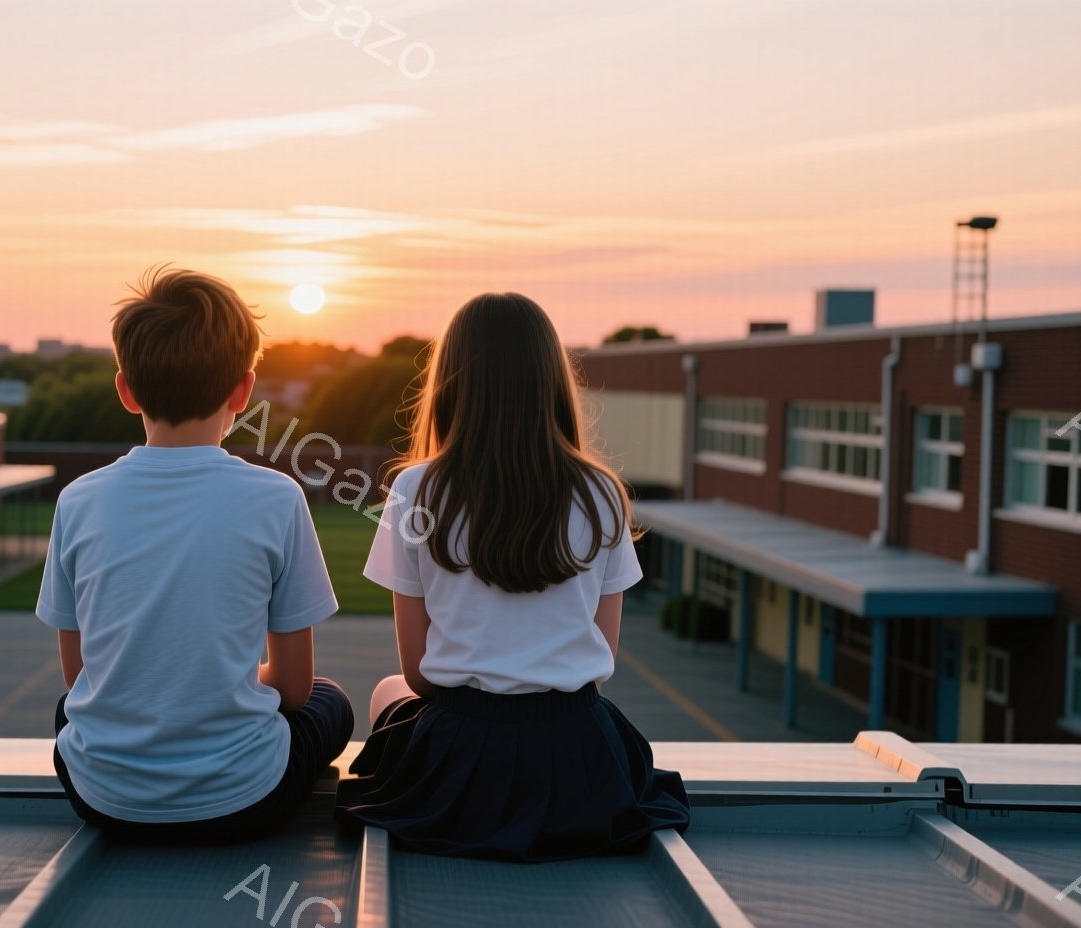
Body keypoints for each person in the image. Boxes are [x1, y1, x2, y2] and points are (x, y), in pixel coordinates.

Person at [334, 292, 690, 861]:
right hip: (578, 757)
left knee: (386, 693)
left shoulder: (414, 490)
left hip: (465, 753)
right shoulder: (601, 493)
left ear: (450, 382)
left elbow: (419, 674)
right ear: (550, 381)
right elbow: (602, 662)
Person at [39, 267, 353, 843]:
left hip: (101, 800)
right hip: (246, 803)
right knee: (333, 702)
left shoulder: (77, 499)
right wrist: (223, 682)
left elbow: (80, 673)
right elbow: (294, 688)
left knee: (70, 707)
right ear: (243, 389)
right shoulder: (277, 497)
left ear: (125, 390)